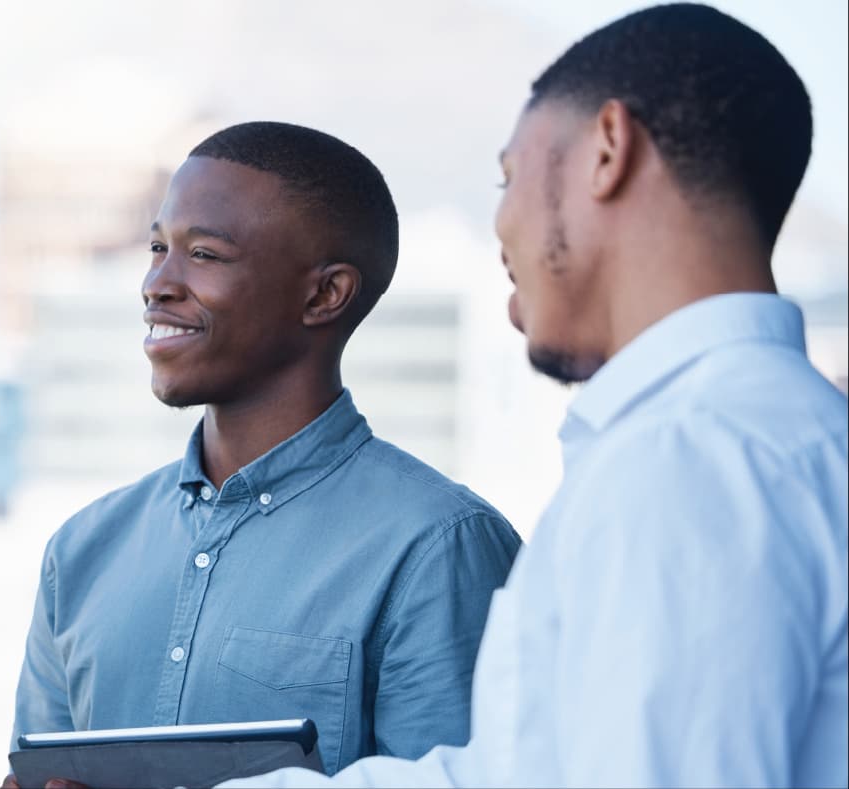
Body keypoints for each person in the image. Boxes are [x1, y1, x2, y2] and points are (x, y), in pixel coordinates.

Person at [225, 4, 847, 787]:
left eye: (509, 176)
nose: (501, 229)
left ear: (608, 150)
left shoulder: (686, 456)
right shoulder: (769, 435)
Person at [5, 121, 522, 783]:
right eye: (158, 247)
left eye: (205, 254)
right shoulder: (80, 551)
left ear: (323, 294)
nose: (157, 283)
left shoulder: (439, 549)